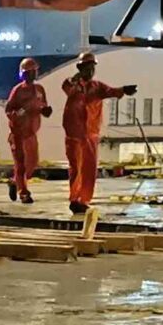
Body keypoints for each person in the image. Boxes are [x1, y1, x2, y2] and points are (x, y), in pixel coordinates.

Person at [59, 52, 135, 216]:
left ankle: (83, 200)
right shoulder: (72, 85)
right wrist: (75, 80)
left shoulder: (97, 87)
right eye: (88, 67)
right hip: (75, 134)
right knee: (76, 168)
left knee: (89, 169)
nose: (91, 71)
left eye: (93, 68)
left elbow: (111, 91)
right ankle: (74, 199)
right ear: (80, 68)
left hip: (91, 134)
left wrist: (123, 90)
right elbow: (67, 88)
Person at [4, 58, 52, 204]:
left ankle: (14, 182)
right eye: (28, 72)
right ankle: (23, 193)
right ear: (23, 74)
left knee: (32, 163)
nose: (32, 75)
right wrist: (19, 113)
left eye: (33, 71)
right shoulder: (18, 90)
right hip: (18, 134)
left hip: (31, 133)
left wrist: (45, 111)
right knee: (21, 165)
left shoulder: (39, 90)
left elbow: (42, 106)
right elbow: (9, 110)